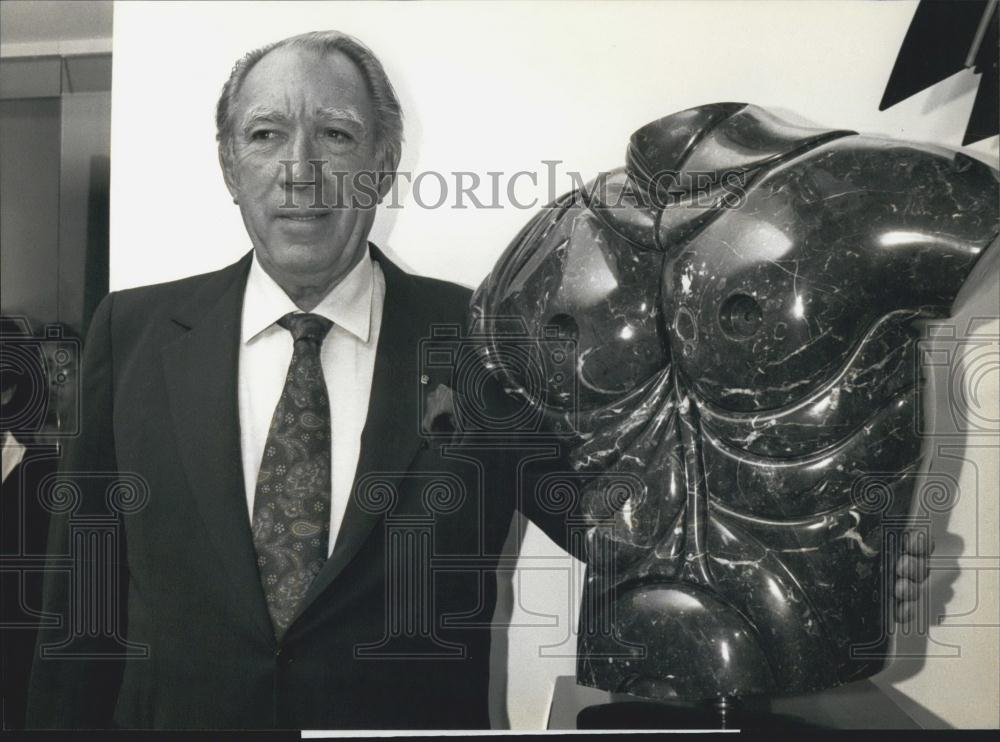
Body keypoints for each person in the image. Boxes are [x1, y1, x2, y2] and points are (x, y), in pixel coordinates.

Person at [24, 30, 931, 730]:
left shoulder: (483, 334)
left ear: (383, 162)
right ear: (230, 163)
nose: (300, 171)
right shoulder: (132, 332)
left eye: (335, 134)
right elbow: (84, 594)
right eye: (266, 135)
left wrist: (825, 547)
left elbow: (620, 529)